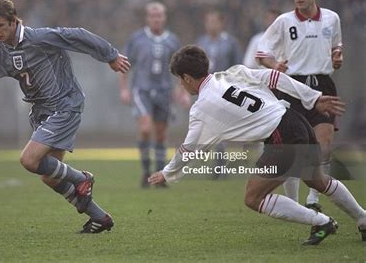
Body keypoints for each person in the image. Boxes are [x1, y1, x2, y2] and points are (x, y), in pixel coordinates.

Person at [149, 45, 366, 245]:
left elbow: (189, 150)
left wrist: (167, 173)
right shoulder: (231, 73)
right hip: (294, 119)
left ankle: (321, 221)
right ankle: (362, 218)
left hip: (282, 136)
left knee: (253, 197)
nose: (180, 84)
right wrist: (313, 97)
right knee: (318, 180)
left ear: (187, 78)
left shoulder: (201, 109)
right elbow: (274, 77)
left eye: (179, 79)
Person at [0, 0, 130, 233]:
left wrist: (110, 56)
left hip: (64, 105)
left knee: (29, 160)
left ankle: (83, 179)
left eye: (0, 25)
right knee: (50, 176)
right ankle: (100, 218)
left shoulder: (38, 38)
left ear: (13, 21)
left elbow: (78, 35)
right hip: (41, 111)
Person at [256, 0, 343, 212]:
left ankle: (313, 199)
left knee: (323, 143)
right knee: (293, 147)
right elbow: (262, 52)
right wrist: (275, 65)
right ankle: (294, 203)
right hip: (293, 86)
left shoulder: (332, 18)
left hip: (323, 84)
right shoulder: (284, 21)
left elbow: (337, 45)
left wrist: (337, 57)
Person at [120, 1, 188, 188]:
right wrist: (124, 89)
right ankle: (146, 170)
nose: (156, 19)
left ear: (164, 18)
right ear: (147, 18)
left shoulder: (172, 40)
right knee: (144, 128)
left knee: (160, 134)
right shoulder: (137, 38)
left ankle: (158, 176)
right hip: (142, 90)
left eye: (159, 16)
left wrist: (181, 91)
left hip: (164, 91)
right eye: (153, 16)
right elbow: (124, 64)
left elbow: (180, 68)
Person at [196, 9, 243, 178]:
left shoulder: (230, 43)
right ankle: (218, 164)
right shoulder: (201, 42)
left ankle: (220, 166)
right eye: (208, 21)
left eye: (214, 21)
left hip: (224, 91)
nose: (211, 25)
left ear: (222, 23)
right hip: (205, 92)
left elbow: (238, 68)